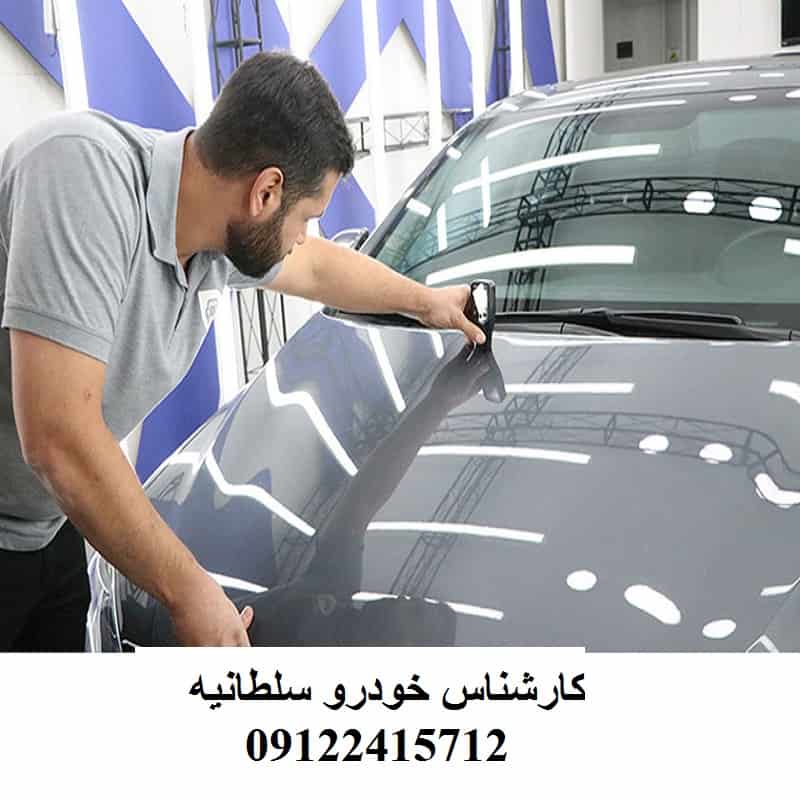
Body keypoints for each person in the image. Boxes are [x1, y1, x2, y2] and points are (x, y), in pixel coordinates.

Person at [0, 51, 484, 651]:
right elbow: (58, 437)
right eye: (305, 218)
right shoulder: (80, 174)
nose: (303, 237)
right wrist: (189, 591)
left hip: (49, 525)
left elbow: (318, 268)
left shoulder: (209, 236)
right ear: (266, 191)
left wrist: (427, 303)